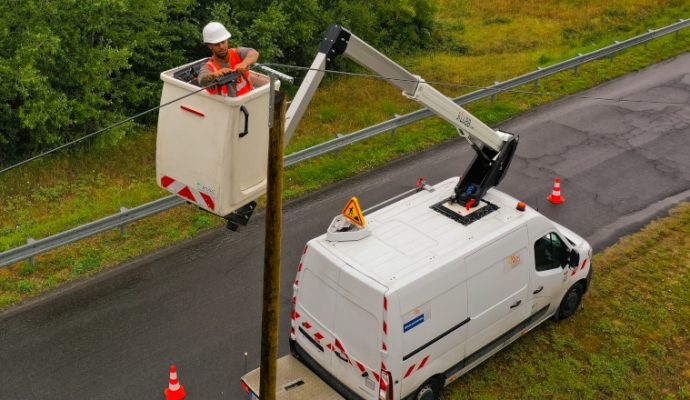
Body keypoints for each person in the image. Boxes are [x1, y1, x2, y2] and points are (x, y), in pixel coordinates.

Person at [198, 22, 259, 97]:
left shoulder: (237, 53)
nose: (221, 47)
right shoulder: (209, 67)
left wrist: (244, 64)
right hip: (227, 106)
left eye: (223, 42)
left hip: (248, 98)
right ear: (210, 46)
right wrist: (216, 74)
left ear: (227, 40)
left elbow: (254, 53)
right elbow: (202, 80)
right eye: (217, 44)